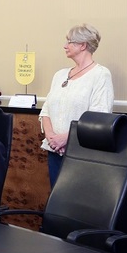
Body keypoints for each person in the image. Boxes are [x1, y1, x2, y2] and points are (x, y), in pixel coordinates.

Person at [39, 23, 114, 188]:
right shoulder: (59, 75)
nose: (65, 46)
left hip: (82, 153)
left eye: (69, 41)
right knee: (57, 199)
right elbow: (46, 110)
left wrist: (65, 139)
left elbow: (98, 118)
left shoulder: (100, 75)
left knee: (79, 200)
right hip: (55, 152)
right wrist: (52, 138)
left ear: (83, 45)